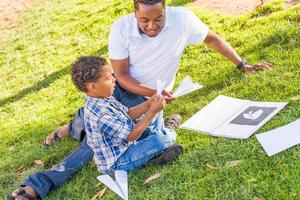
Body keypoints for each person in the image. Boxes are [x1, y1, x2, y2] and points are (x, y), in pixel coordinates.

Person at [9, 0, 273, 199]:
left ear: (166, 10)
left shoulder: (183, 20)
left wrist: (243, 65)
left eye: (158, 19)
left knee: (123, 131)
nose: (151, 26)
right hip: (122, 91)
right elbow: (120, 76)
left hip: (149, 98)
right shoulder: (121, 29)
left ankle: (78, 125)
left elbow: (212, 39)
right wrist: (151, 97)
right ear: (135, 12)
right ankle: (37, 185)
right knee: (90, 147)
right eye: (144, 20)